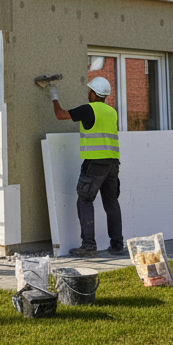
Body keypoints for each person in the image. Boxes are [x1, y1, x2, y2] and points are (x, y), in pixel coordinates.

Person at [48, 76, 124, 257]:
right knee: (111, 203)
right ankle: (117, 245)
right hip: (112, 164)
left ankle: (88, 246)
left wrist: (54, 97)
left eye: (88, 91)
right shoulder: (112, 112)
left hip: (95, 164)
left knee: (84, 200)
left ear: (93, 93)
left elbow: (60, 115)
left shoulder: (88, 109)